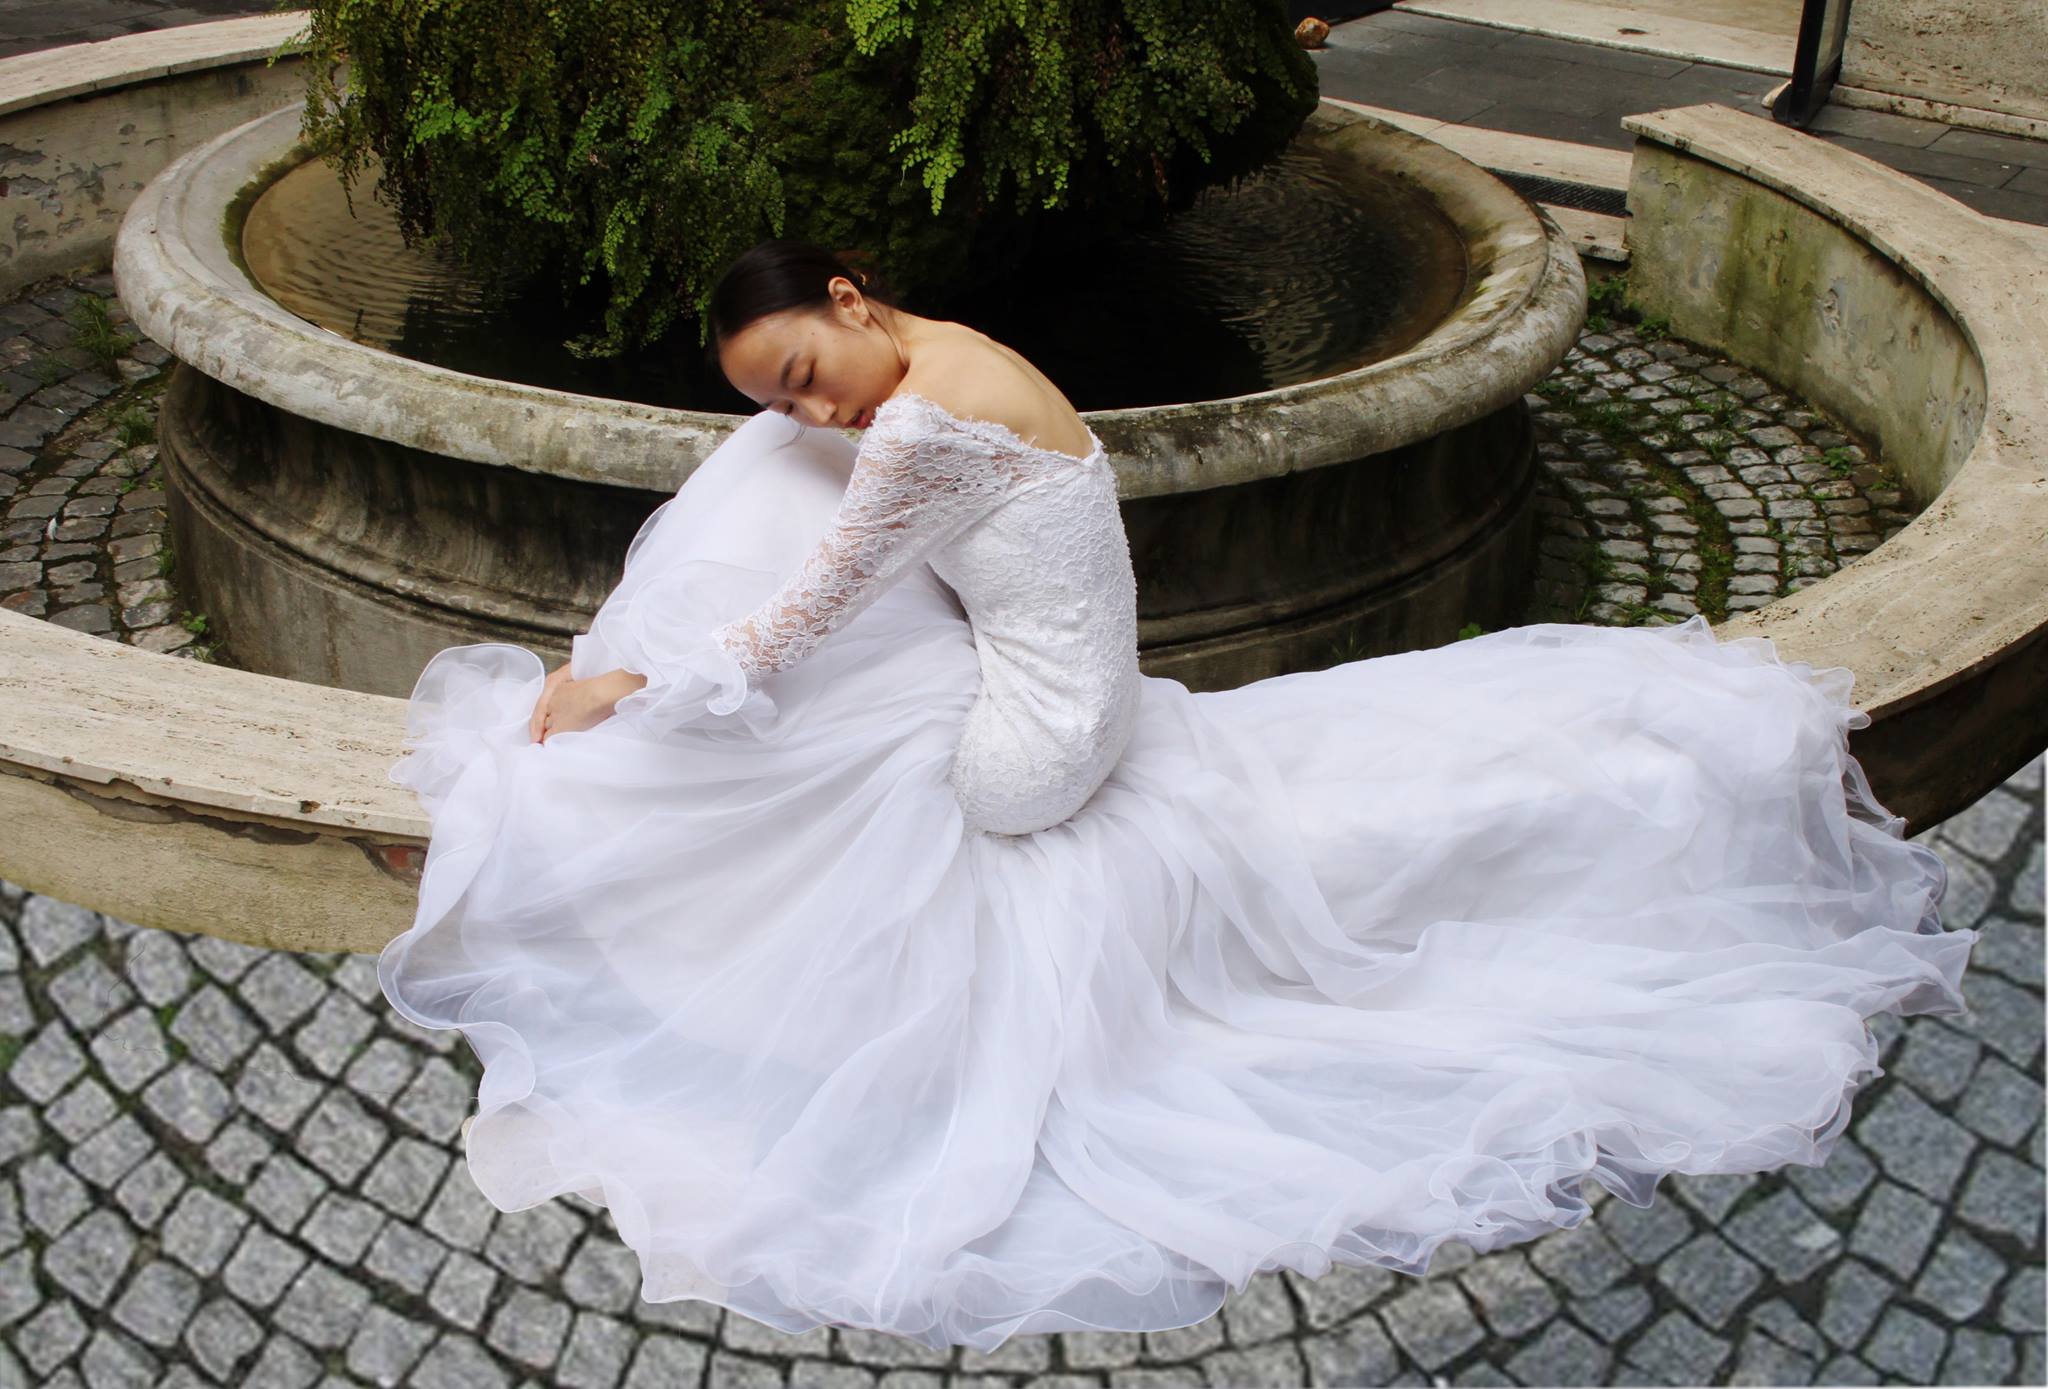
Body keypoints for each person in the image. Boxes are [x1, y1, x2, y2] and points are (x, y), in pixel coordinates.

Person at [379, 239, 1978, 1352]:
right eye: (784, 398)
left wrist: (624, 686)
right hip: (1086, 678)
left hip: (1041, 740)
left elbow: (803, 615)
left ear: (852, 299)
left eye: (805, 374)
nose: (814, 413)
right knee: (787, 573)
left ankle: (705, 910)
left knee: (809, 737)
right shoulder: (949, 353)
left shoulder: (918, 428)